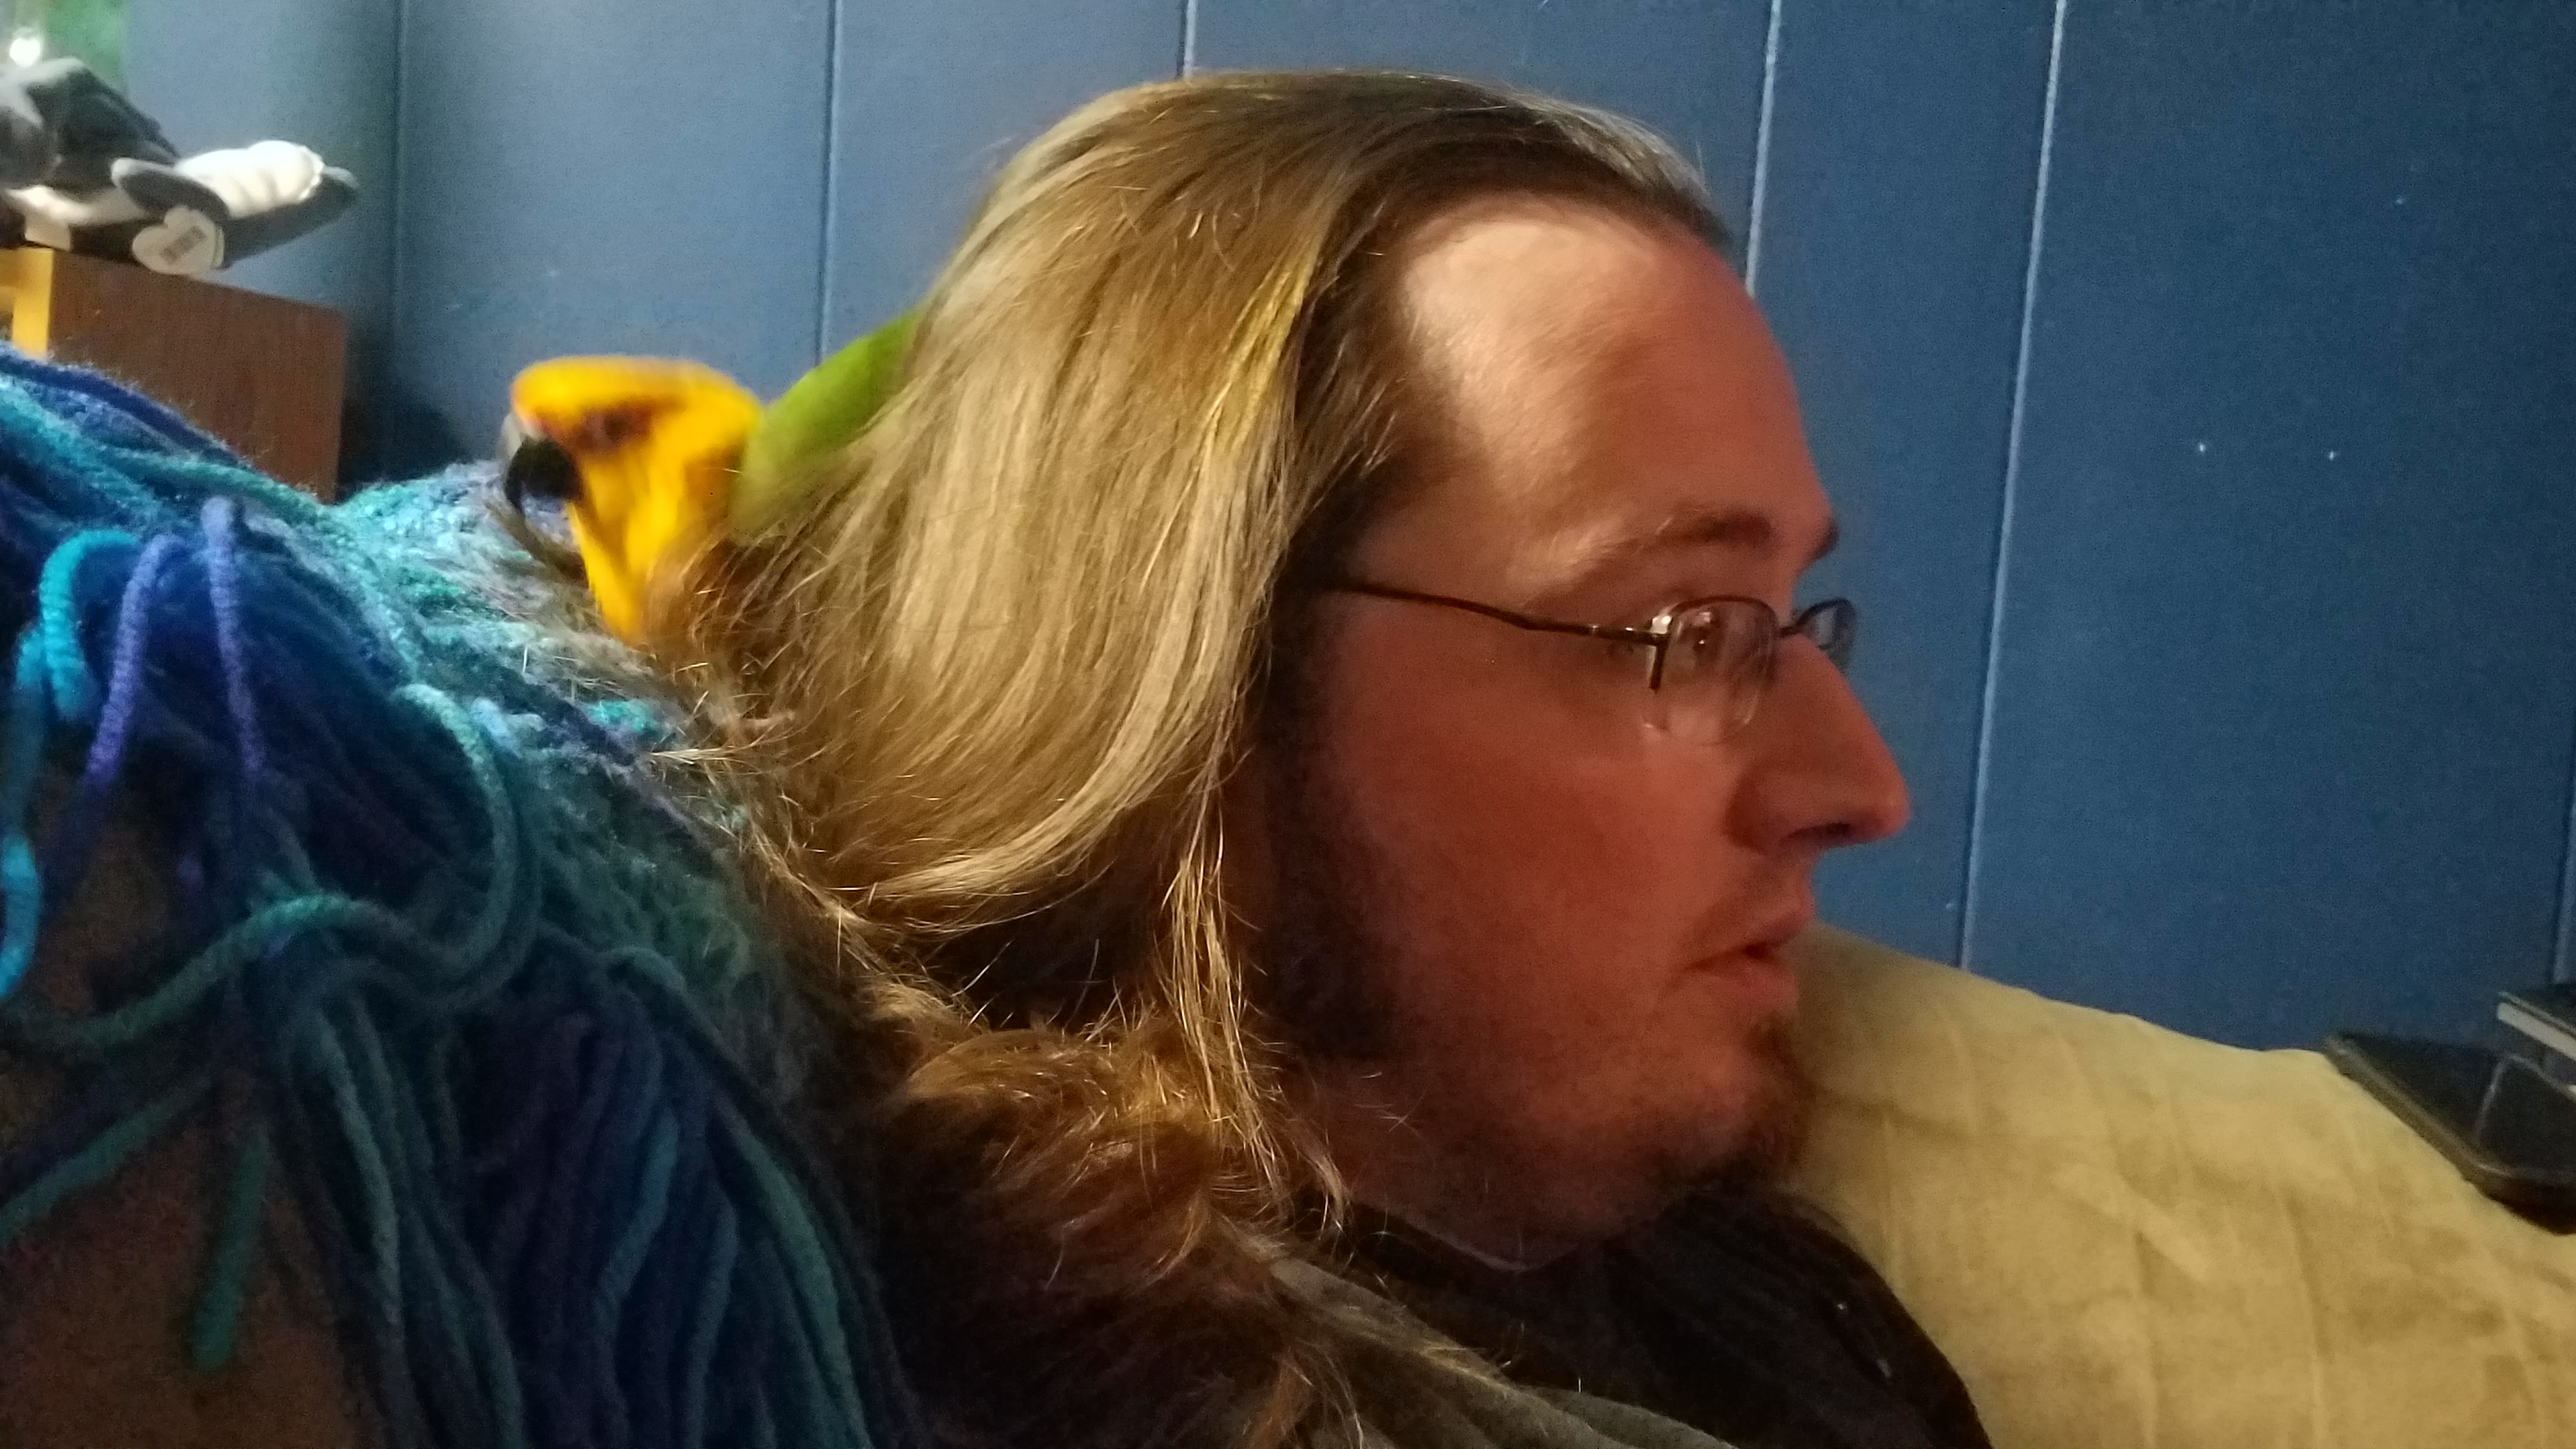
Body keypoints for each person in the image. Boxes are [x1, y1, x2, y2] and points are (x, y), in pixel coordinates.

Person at [671, 70, 1986, 1449]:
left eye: (1787, 618)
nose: (1861, 790)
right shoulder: (1035, 1387)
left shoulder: (1754, 1297)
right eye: (1691, 632)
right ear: (1200, 709)